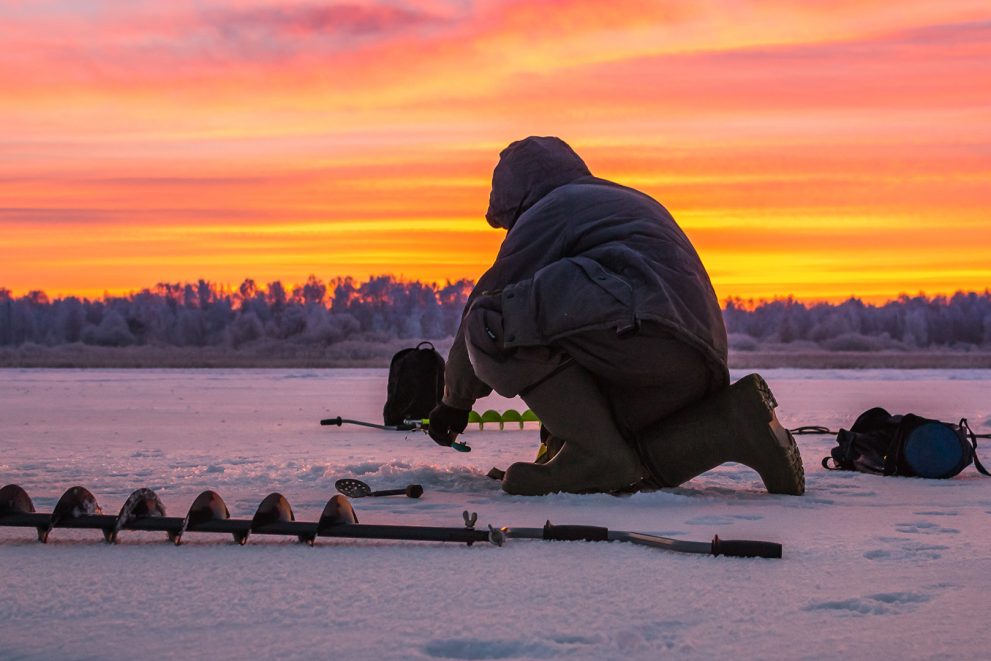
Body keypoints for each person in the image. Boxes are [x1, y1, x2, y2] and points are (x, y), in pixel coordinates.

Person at [428, 136, 804, 496]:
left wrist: (454, 402)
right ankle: (735, 422)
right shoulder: (620, 200)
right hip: (691, 368)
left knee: (493, 320)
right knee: (631, 465)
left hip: (642, 337)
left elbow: (483, 307)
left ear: (514, 198)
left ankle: (594, 454)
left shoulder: (553, 208)